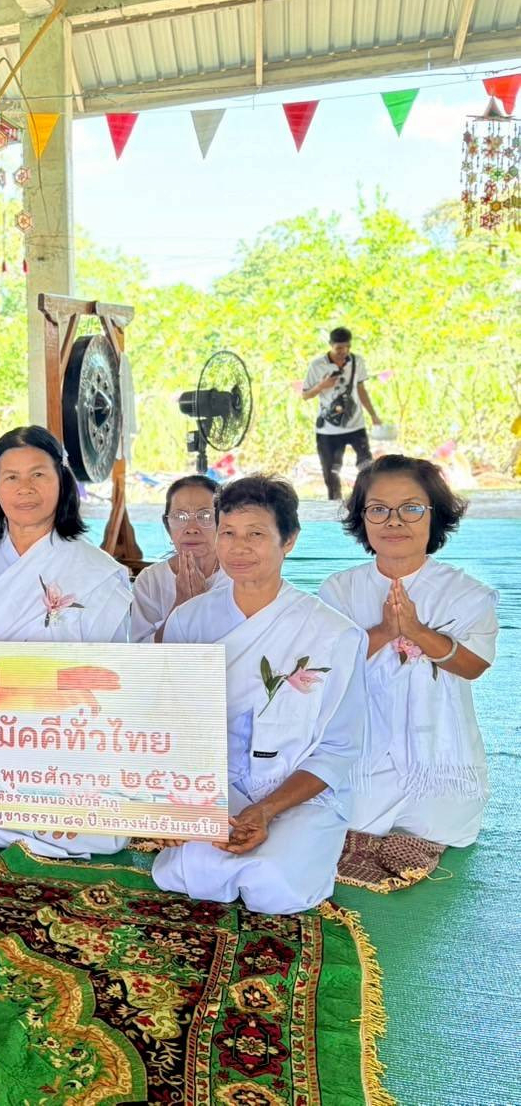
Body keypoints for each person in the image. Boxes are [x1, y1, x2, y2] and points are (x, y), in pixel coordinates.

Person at [152, 475, 366, 915]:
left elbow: (339, 748)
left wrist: (267, 811)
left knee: (275, 885)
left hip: (295, 792)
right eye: (227, 533)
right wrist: (179, 802)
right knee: (188, 870)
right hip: (216, 787)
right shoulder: (188, 622)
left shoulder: (334, 634)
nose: (238, 547)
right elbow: (171, 727)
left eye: (256, 534)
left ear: (288, 540)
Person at [0, 426, 133, 859]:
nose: (26, 489)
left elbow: (118, 672)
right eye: (12, 477)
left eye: (39, 475)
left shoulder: (97, 571)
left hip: (70, 737)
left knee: (98, 831)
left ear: (62, 482)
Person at [318, 455, 496, 847]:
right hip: (365, 751)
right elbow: (325, 670)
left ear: (435, 515)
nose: (394, 521)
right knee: (353, 819)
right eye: (378, 510)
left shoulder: (467, 594)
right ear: (362, 518)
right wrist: (383, 631)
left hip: (440, 756)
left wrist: (416, 631)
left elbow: (473, 666)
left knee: (451, 831)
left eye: (411, 508)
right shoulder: (339, 590)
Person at [131, 474, 227, 642]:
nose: (191, 529)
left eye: (205, 516)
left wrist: (201, 604)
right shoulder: (150, 580)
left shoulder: (237, 576)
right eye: (180, 517)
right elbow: (142, 655)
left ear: (223, 523)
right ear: (167, 525)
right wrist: (181, 605)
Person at [302, 326, 382, 500]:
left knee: (367, 467)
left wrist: (373, 415)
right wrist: (321, 386)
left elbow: (361, 389)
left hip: (355, 424)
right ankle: (334, 510)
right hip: (328, 430)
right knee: (331, 475)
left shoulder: (357, 361)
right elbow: (305, 395)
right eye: (339, 348)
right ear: (330, 345)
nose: (343, 352)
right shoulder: (317, 365)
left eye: (347, 348)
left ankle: (369, 501)